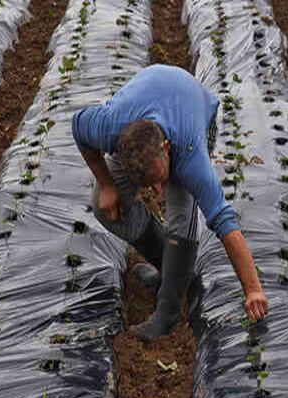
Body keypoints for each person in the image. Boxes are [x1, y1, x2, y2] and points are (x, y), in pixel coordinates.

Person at [71, 64, 268, 342]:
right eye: (149, 186)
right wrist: (106, 184)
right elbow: (77, 126)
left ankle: (168, 312)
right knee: (106, 207)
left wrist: (253, 289)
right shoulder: (108, 127)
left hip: (194, 109)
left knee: (181, 213)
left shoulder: (190, 158)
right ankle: (173, 269)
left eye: (161, 180)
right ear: (117, 149)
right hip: (144, 108)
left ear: (166, 149)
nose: (158, 193)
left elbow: (226, 224)